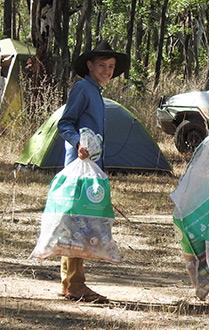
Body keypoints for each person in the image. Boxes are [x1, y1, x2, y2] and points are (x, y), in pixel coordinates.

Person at [57, 40, 129, 303]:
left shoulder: (96, 91)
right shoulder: (83, 88)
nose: (107, 71)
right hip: (78, 167)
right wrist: (78, 143)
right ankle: (76, 285)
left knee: (78, 221)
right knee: (77, 223)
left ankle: (69, 283)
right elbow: (65, 123)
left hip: (91, 167)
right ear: (89, 65)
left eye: (111, 67)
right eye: (102, 65)